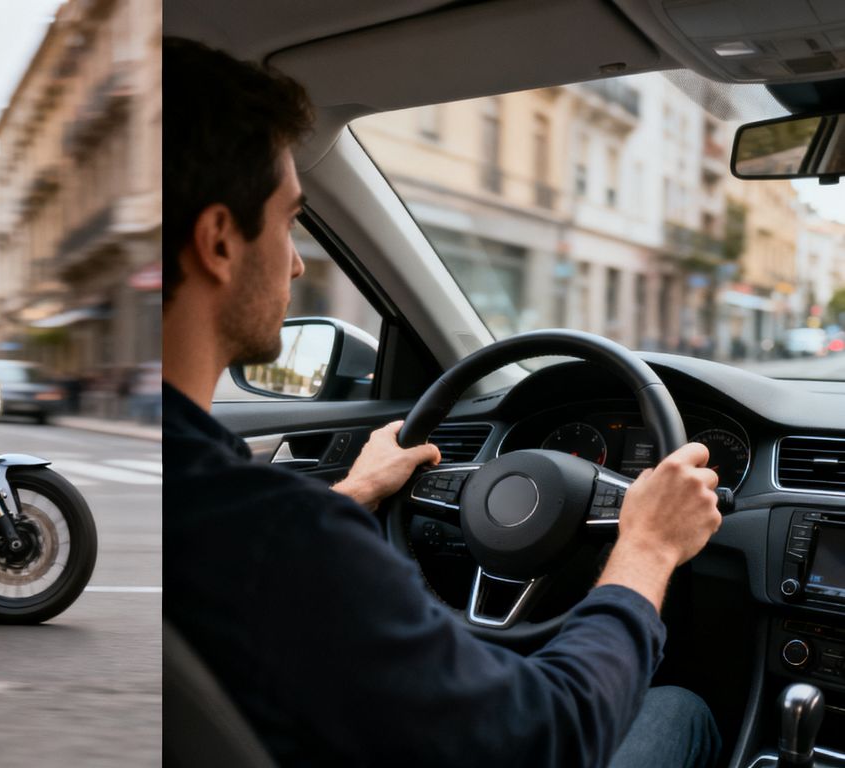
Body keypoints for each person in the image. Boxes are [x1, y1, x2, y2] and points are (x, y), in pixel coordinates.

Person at [162, 37, 723, 767]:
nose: (297, 259)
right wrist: (647, 546)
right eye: (290, 220)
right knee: (679, 710)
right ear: (218, 241)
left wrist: (353, 492)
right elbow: (549, 737)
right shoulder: (279, 538)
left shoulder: (202, 504)